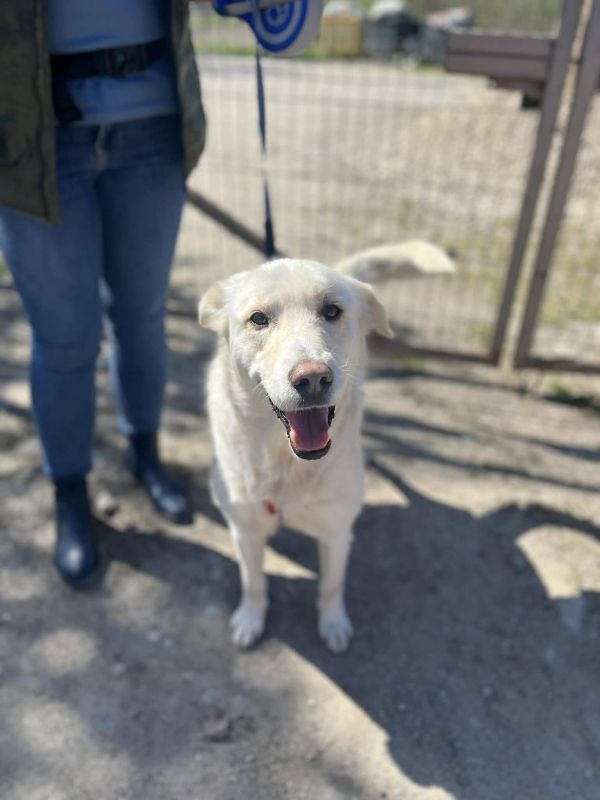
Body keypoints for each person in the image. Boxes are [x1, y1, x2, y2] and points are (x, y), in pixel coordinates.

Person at [0, 1, 206, 583]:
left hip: (154, 123)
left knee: (142, 316)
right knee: (65, 340)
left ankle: (146, 455)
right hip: (30, 136)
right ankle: (70, 494)